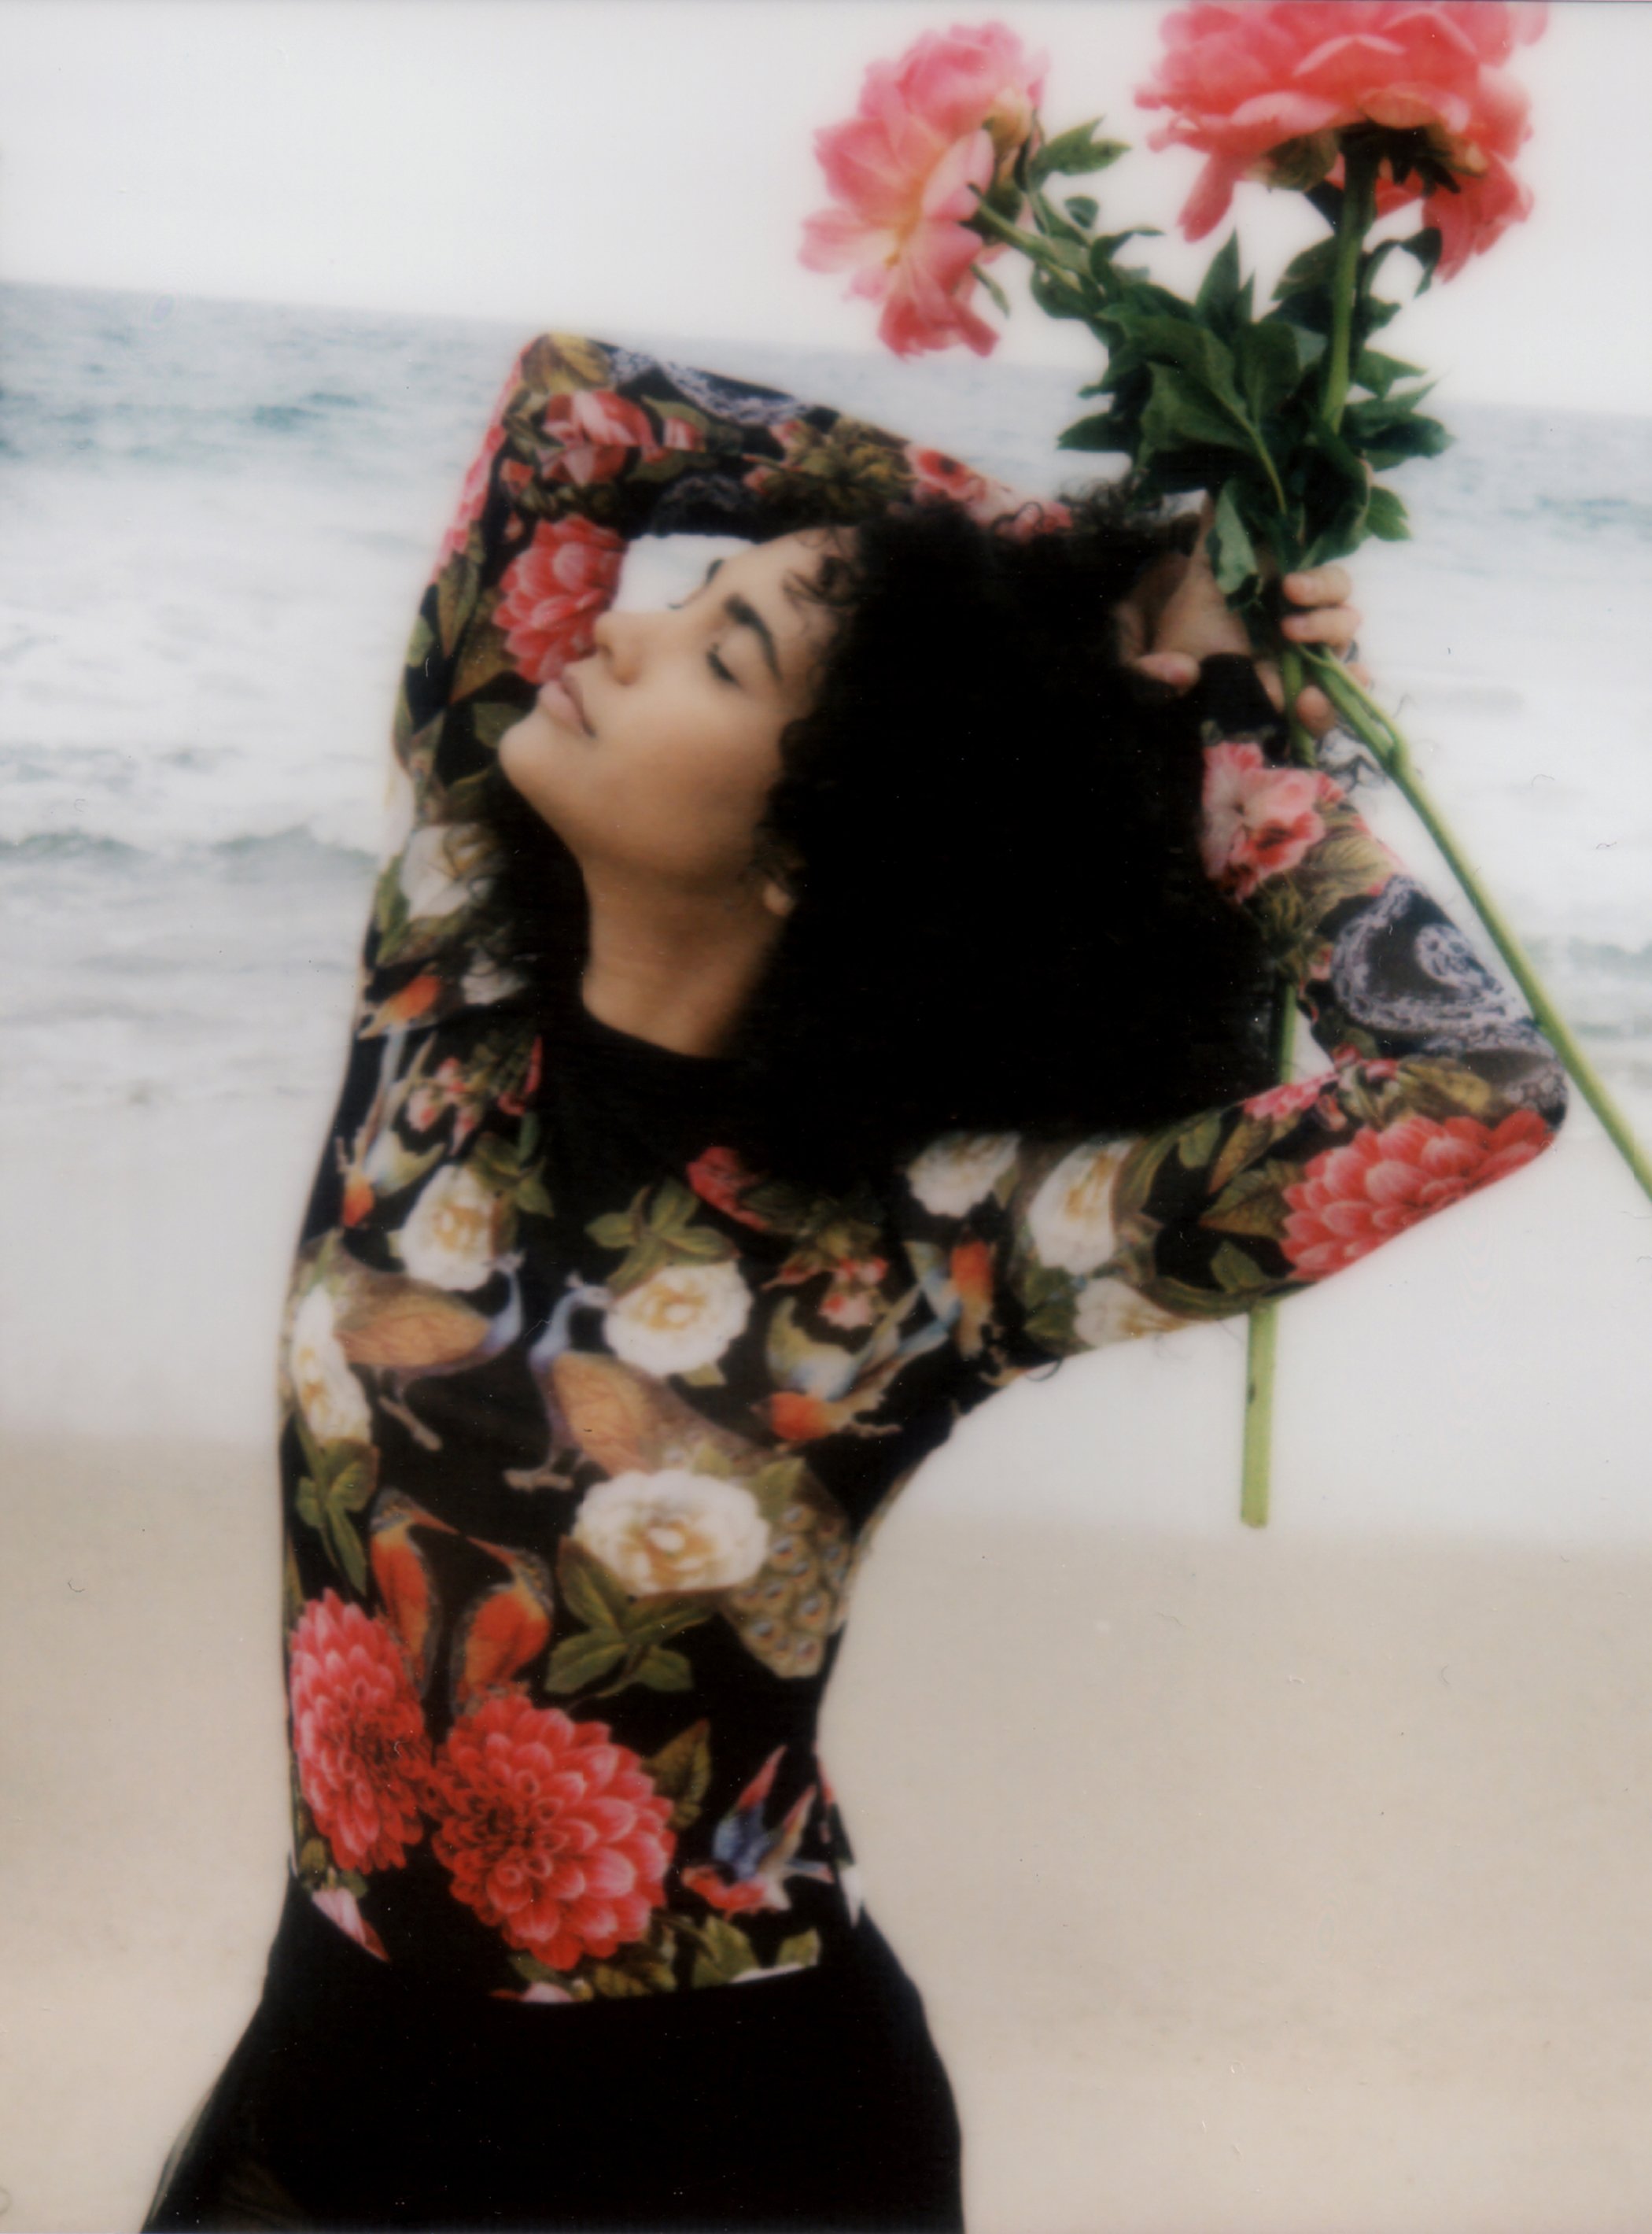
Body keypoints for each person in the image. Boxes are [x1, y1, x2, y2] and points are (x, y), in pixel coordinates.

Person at [142, 333, 1565, 2233]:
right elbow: (582, 412)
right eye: (692, 603)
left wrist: (1236, 741)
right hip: (318, 2116)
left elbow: (1477, 1090)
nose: (624, 630)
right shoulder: (448, 994)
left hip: (729, 2160)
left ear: (821, 847)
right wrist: (1081, 572)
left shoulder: (951, 1235)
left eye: (723, 651)